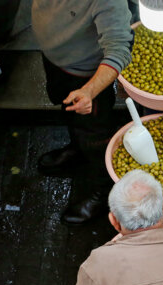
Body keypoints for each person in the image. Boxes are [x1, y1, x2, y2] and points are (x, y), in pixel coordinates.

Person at [33, 0, 133, 224]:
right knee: (67, 109)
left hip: (86, 76)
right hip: (55, 60)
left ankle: (103, 192)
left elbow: (120, 49)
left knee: (95, 136)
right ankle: (76, 149)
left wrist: (89, 91)